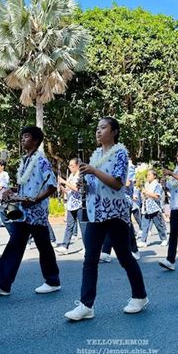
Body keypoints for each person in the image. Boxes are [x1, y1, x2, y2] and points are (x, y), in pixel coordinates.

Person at [64, 117, 149, 320]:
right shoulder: (95, 155)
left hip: (115, 213)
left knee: (125, 257)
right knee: (90, 259)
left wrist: (93, 171)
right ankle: (86, 305)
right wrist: (85, 183)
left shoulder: (120, 153)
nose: (98, 131)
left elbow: (118, 184)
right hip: (96, 213)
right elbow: (94, 185)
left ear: (114, 132)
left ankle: (140, 296)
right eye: (97, 128)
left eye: (103, 128)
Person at [0, 126, 60, 296]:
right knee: (15, 245)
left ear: (36, 140)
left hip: (36, 211)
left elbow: (52, 185)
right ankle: (3, 284)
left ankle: (53, 281)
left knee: (43, 246)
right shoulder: (25, 160)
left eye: (26, 136)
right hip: (24, 211)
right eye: (22, 136)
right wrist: (12, 190)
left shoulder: (41, 160)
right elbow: (26, 184)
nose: (23, 139)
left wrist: (34, 200)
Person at [56, 157, 85, 254]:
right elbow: (68, 190)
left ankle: (87, 246)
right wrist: (61, 186)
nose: (70, 168)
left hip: (80, 204)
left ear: (77, 166)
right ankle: (65, 246)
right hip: (71, 204)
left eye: (72, 166)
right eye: (69, 166)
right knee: (69, 225)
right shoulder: (71, 176)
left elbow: (76, 188)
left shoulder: (80, 175)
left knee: (83, 226)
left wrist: (64, 182)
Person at [138, 168, 168, 247]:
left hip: (154, 208)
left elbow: (157, 196)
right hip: (146, 208)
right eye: (147, 175)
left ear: (154, 176)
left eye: (149, 175)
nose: (147, 176)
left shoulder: (157, 185)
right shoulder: (146, 184)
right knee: (145, 225)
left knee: (159, 225)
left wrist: (147, 192)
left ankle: (164, 238)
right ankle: (143, 241)